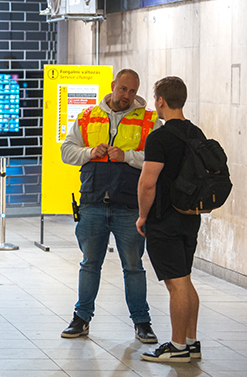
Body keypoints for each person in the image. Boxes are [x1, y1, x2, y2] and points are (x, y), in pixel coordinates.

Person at [59, 69, 162, 342]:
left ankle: (142, 322)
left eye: (132, 91)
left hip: (129, 205)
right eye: (123, 89)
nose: (127, 95)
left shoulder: (150, 121)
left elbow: (156, 160)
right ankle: (81, 319)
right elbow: (66, 152)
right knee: (90, 264)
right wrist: (90, 152)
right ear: (113, 86)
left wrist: (126, 156)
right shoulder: (87, 117)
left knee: (133, 266)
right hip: (92, 202)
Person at [137, 76, 203, 363]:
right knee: (185, 280)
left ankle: (177, 348)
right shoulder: (196, 133)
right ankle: (191, 342)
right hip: (191, 216)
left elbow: (148, 183)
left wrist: (142, 216)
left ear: (160, 100)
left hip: (165, 219)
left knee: (176, 284)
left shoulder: (159, 137)